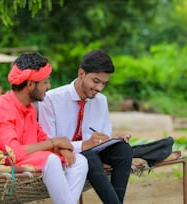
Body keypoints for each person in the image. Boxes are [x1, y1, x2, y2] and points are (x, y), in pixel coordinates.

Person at [0, 52, 88, 204]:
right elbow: (13, 152)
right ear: (30, 85)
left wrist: (62, 148)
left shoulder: (29, 108)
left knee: (79, 160)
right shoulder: (0, 108)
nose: (49, 86)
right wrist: (54, 143)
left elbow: (41, 138)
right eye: (45, 82)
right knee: (51, 160)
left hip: (25, 160)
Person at [38, 50, 133, 204]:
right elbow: (48, 140)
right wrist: (83, 145)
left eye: (103, 83)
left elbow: (103, 138)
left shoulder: (101, 100)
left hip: (94, 152)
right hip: (65, 154)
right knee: (88, 157)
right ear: (81, 73)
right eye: (95, 81)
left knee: (124, 150)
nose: (99, 88)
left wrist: (114, 140)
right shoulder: (51, 99)